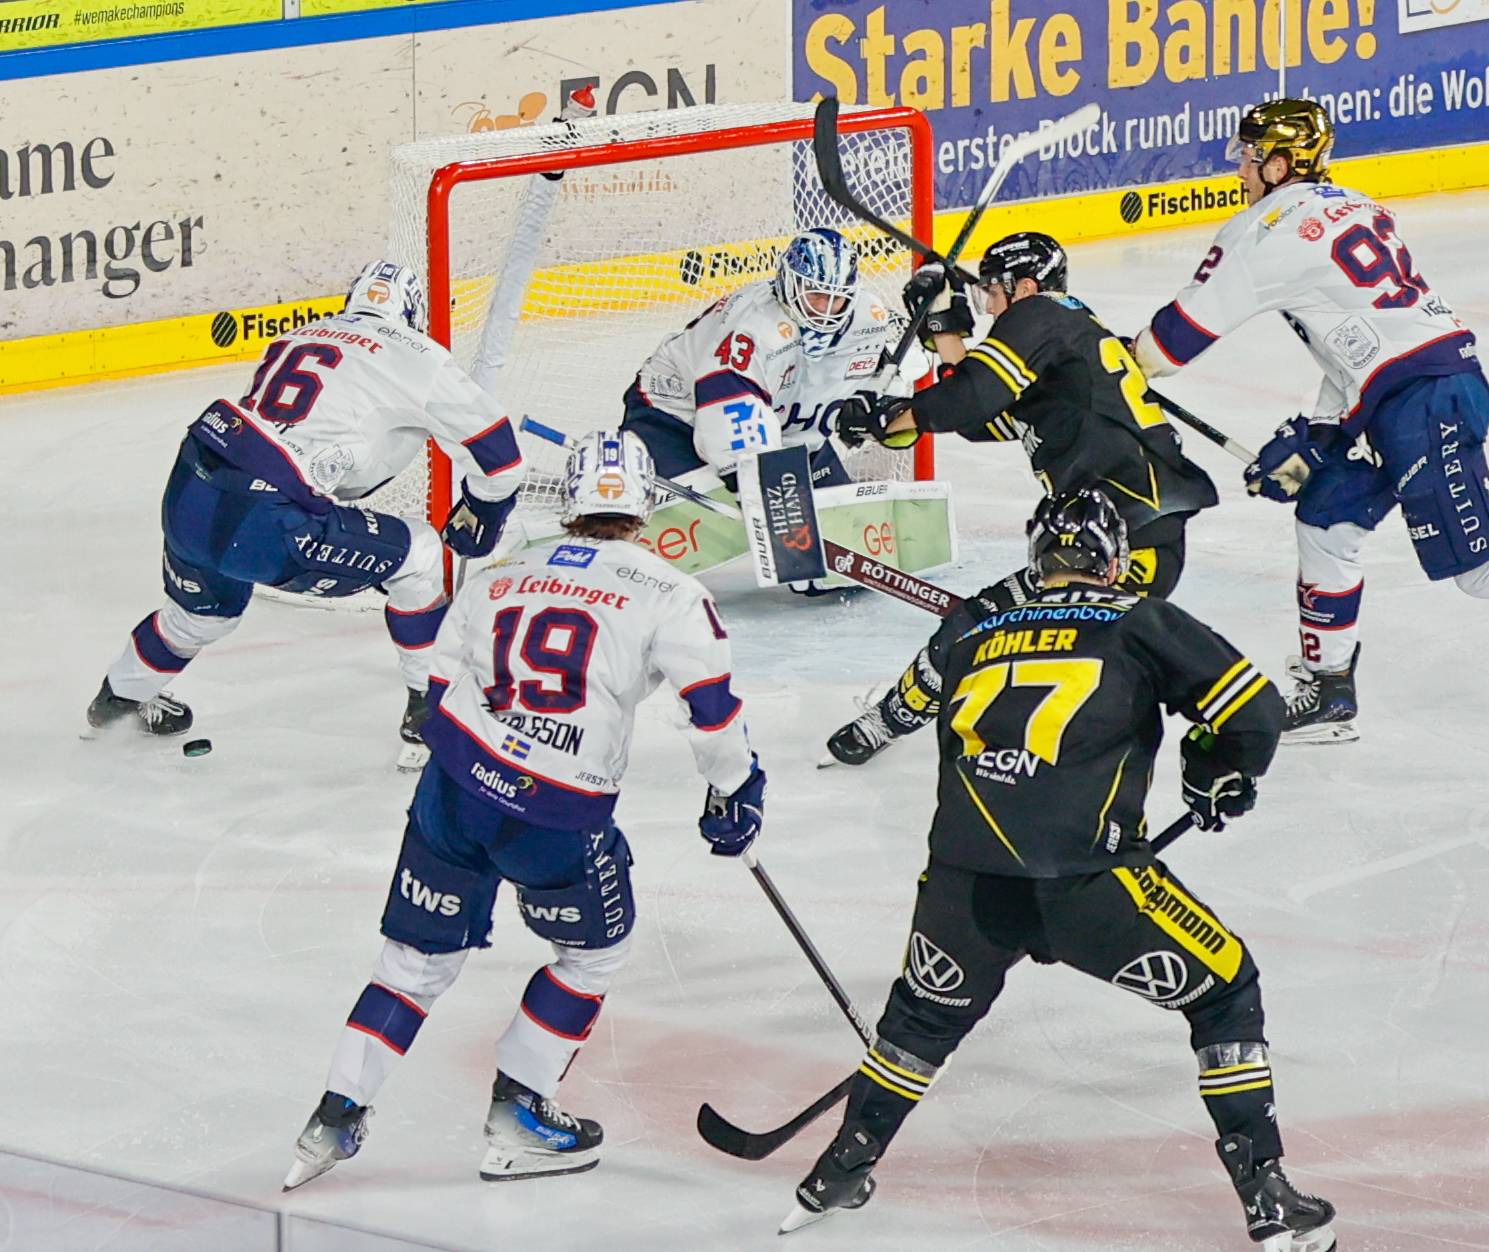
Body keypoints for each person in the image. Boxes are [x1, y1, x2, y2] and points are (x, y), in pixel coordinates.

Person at [782, 489, 1334, 1251]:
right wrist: (1213, 771)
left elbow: (936, 717)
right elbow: (1255, 714)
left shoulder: (973, 631)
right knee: (1225, 992)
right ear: (1115, 558)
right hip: (1090, 887)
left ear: (1036, 558)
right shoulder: (1139, 618)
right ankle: (1264, 1190)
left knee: (921, 1022)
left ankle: (840, 1169)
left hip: (963, 885)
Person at [1129, 99, 1489, 744]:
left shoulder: (1261, 233)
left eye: (1250, 157)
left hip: (1425, 400)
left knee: (1485, 567)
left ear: (1279, 164)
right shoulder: (1352, 205)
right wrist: (1321, 432)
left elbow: (1165, 350)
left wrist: (1100, 355)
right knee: (1325, 520)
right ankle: (1330, 690)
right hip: (1408, 391)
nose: (1240, 169)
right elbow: (1362, 334)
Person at [283, 430, 766, 1190]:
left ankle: (333, 1117)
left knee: (412, 964)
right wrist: (734, 790)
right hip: (556, 812)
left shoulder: (500, 573)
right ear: (643, 503)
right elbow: (711, 712)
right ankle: (520, 1116)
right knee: (592, 955)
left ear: (568, 498)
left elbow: (438, 681)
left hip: (453, 789)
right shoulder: (672, 592)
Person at [85, 260, 524, 767]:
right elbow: (503, 461)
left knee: (200, 616)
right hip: (267, 518)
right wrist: (482, 512)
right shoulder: (417, 355)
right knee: (421, 554)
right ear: (413, 315)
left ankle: (117, 702)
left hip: (192, 485)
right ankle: (431, 715)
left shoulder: (298, 335)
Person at [821, 230, 1219, 766]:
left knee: (995, 633)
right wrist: (945, 333)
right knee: (1004, 632)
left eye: (993, 291)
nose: (988, 305)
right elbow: (981, 418)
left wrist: (889, 417)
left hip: (1121, 540)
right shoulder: (1064, 337)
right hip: (1122, 537)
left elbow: (969, 399)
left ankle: (897, 725)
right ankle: (892, 723)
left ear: (1025, 287)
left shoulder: (1039, 315)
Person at [620, 227, 911, 493]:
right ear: (789, 282)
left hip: (783, 430)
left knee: (845, 522)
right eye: (815, 295)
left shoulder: (868, 317)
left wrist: (873, 404)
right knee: (677, 523)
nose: (824, 310)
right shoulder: (754, 328)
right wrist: (768, 488)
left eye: (835, 298)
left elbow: (887, 373)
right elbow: (730, 426)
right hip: (673, 417)